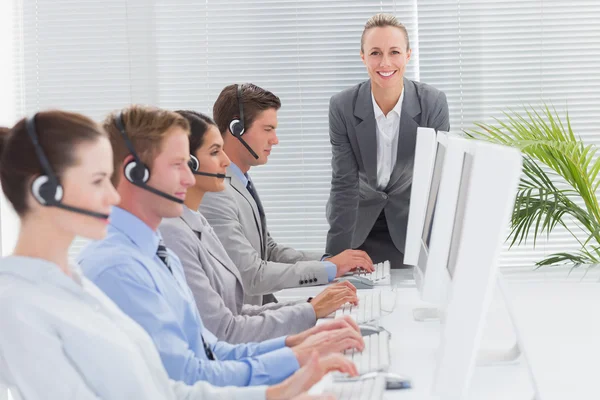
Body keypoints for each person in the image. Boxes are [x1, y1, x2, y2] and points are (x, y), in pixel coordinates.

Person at [0, 112, 337, 400]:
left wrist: (279, 386)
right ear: (45, 190)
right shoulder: (19, 306)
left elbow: (166, 388)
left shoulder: (73, 283)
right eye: (98, 180)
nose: (110, 193)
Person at [78, 105, 362, 387]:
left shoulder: (156, 251)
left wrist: (296, 347)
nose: (189, 179)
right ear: (134, 172)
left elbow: (210, 348)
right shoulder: (120, 267)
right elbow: (187, 375)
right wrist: (281, 384)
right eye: (178, 165)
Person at [160, 110, 360, 344]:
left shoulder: (198, 219)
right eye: (215, 152)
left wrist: (312, 306)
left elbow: (234, 312)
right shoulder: (176, 230)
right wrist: (310, 313)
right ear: (188, 164)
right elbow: (227, 328)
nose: (225, 161)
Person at [200, 83, 374, 306]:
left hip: (261, 314)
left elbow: (268, 251)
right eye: (268, 129)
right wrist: (329, 269)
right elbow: (252, 274)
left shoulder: (241, 181)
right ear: (237, 128)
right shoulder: (216, 191)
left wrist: (328, 261)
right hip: (243, 326)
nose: (275, 140)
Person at [325, 13, 451, 268]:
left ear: (408, 55)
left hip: (410, 224)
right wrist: (333, 258)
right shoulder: (342, 106)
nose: (385, 62)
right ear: (363, 57)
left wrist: (439, 249)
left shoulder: (432, 103)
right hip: (358, 225)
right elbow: (344, 183)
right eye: (375, 53)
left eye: (394, 52)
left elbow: (437, 181)